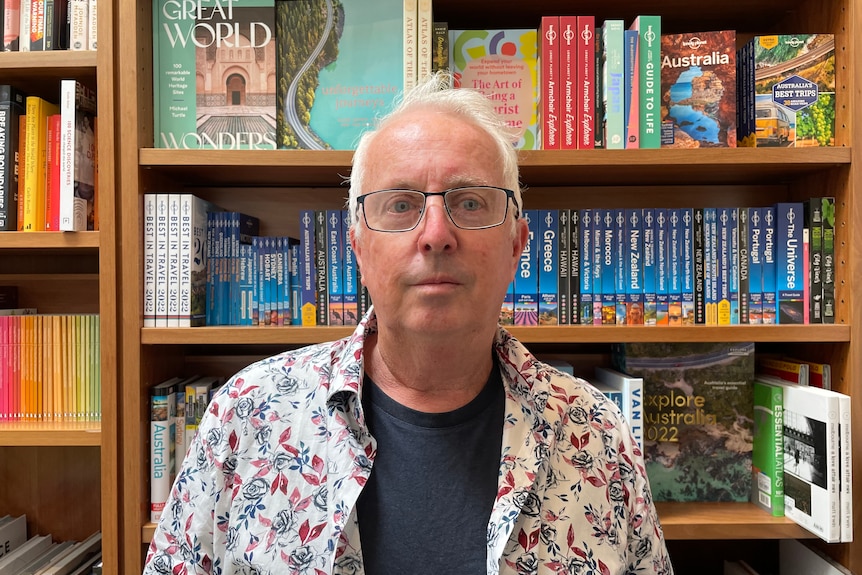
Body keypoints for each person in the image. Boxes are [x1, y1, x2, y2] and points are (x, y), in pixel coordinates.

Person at [143, 72, 673, 575]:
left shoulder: (596, 433)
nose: (436, 234)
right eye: (401, 204)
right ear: (357, 246)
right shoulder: (247, 415)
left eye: (469, 202)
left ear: (517, 245)